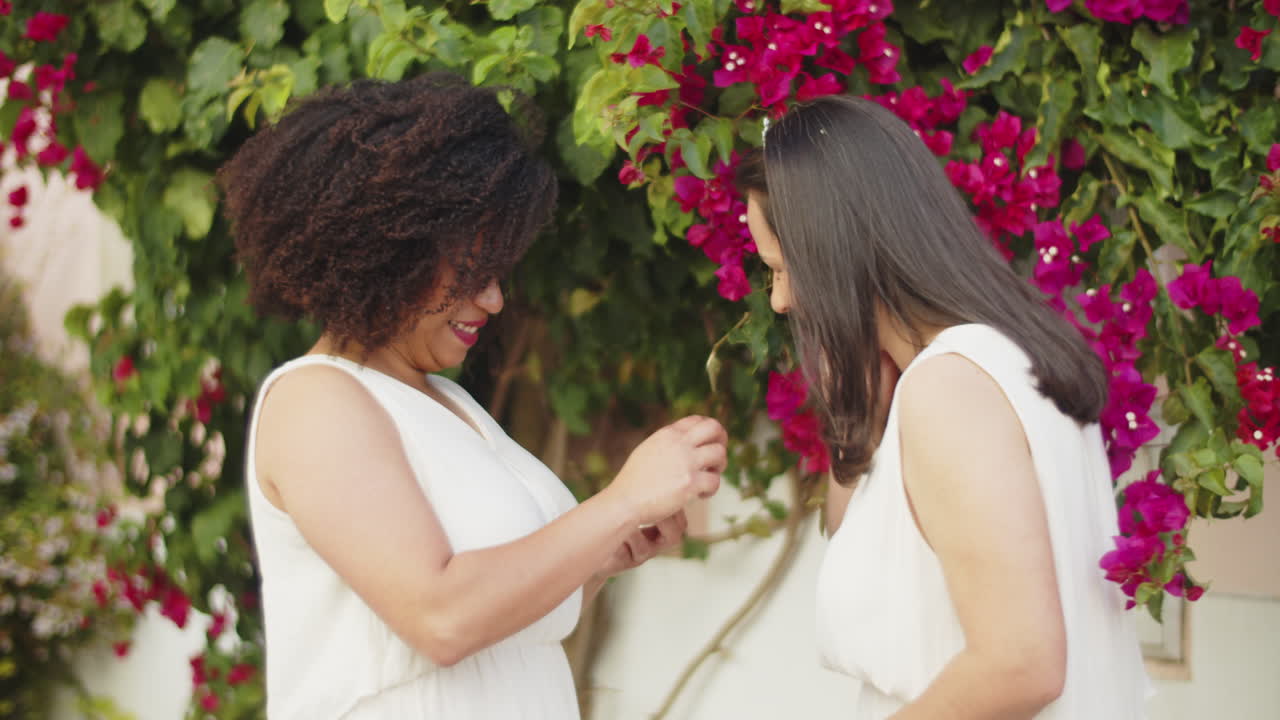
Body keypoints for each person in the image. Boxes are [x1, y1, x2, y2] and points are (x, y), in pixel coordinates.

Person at [218, 73, 726, 720]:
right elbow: (442, 618)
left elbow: (505, 630)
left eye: (497, 272)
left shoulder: (449, 404)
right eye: (469, 273)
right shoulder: (316, 401)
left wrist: (601, 556)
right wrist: (620, 503)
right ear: (386, 255)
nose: (493, 299)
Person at [737, 95, 1149, 718]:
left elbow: (1021, 664)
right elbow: (867, 542)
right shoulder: (997, 363)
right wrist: (861, 409)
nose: (780, 300)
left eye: (781, 268)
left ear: (836, 253)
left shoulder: (951, 389)